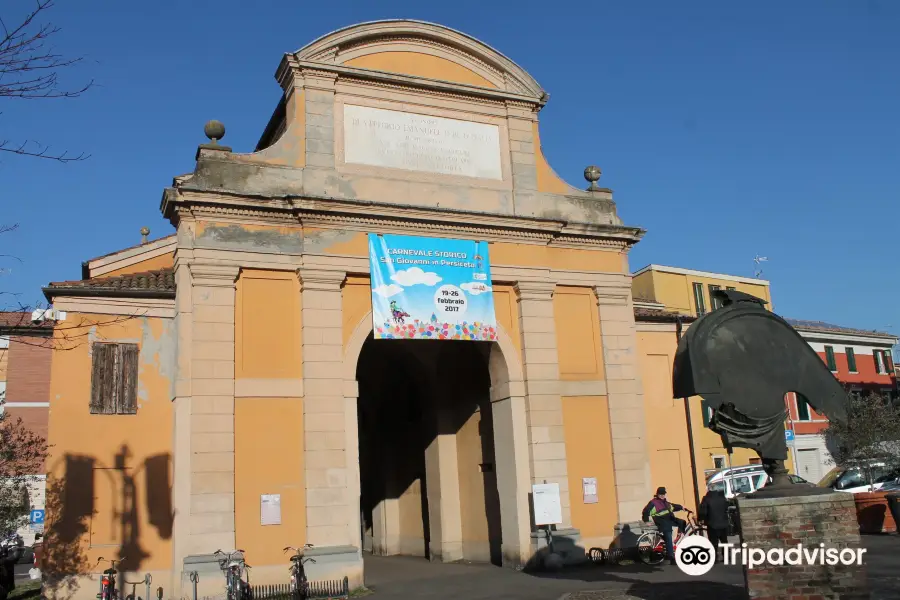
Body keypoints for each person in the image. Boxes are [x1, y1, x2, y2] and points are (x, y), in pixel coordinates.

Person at [641, 486, 687, 565]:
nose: (662, 495)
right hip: (662, 522)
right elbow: (645, 511)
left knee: (682, 522)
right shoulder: (653, 502)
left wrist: (681, 507)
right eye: (660, 494)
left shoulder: (665, 502)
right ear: (657, 494)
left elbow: (673, 506)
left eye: (663, 494)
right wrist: (646, 521)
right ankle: (671, 557)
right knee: (669, 538)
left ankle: (676, 539)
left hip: (670, 520)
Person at [699, 488, 730, 561]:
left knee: (713, 542)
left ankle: (715, 558)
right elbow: (726, 507)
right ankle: (726, 557)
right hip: (723, 523)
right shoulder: (722, 498)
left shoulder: (706, 499)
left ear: (709, 490)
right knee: (724, 541)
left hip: (712, 523)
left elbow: (703, 511)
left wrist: (701, 519)